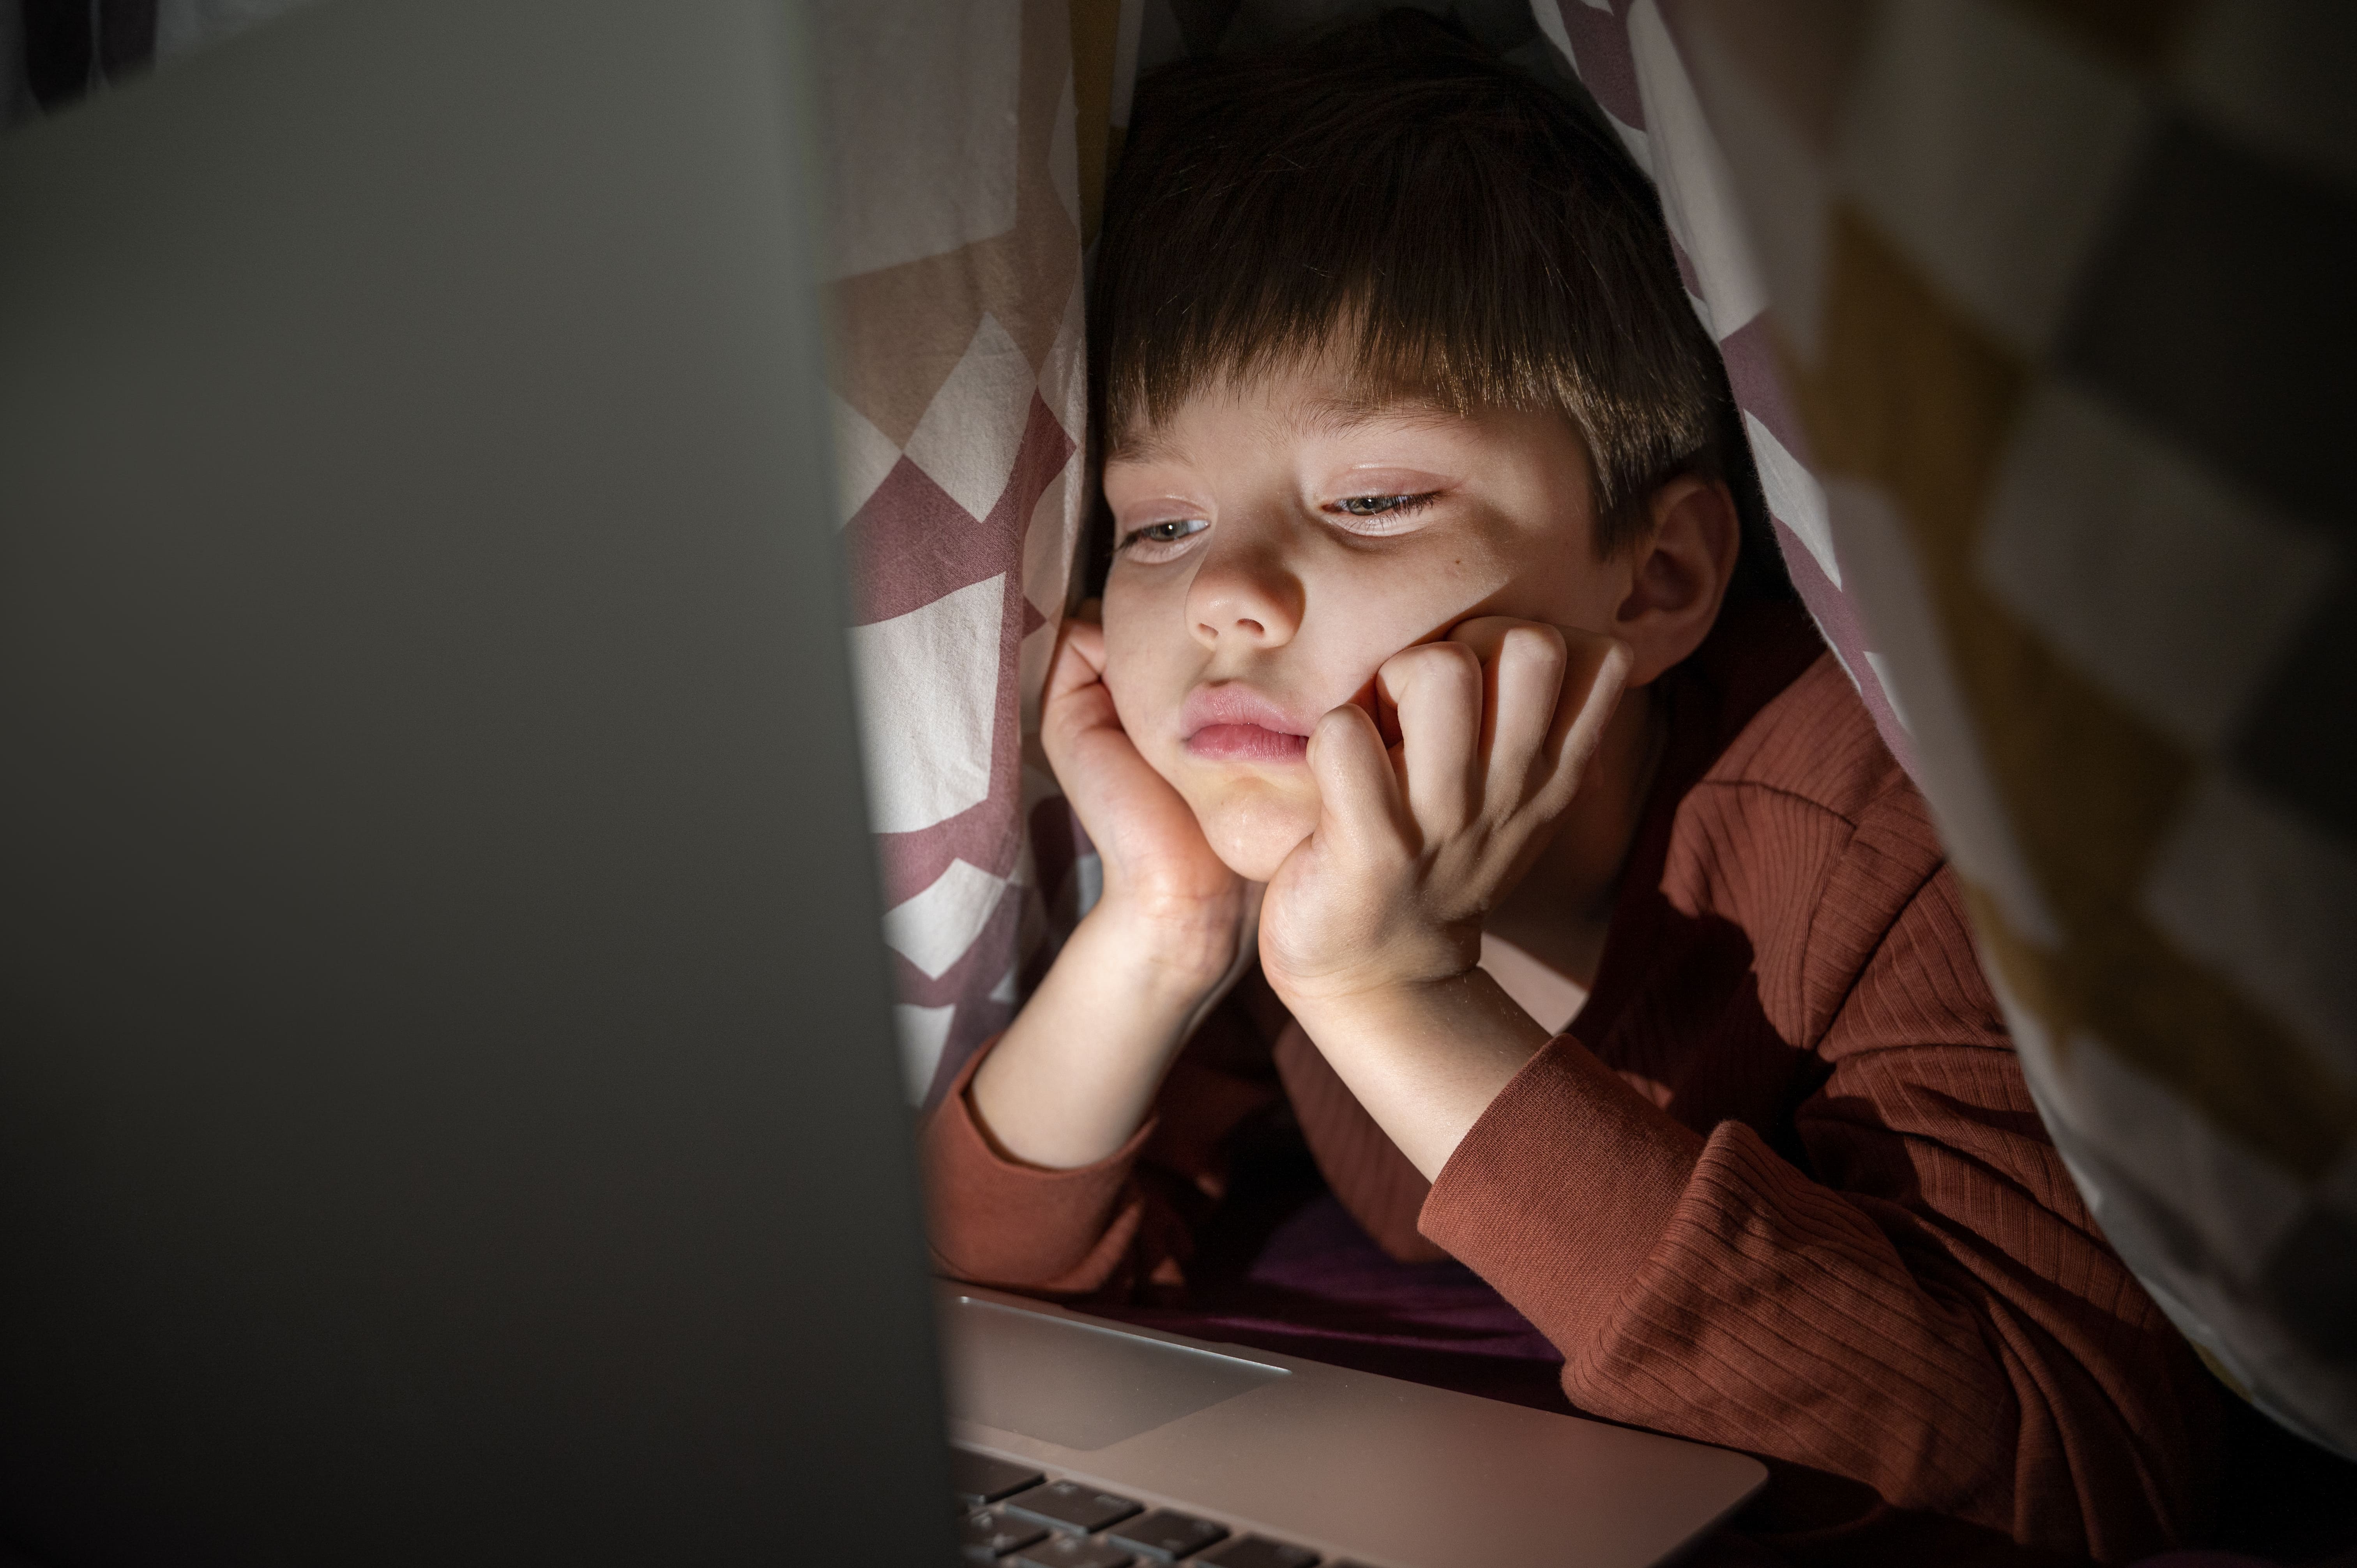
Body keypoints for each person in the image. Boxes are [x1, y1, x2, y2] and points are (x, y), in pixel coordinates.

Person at [921, 14, 2213, 1563]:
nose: (1229, 600)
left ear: (1657, 576)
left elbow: (2067, 1458)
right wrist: (1163, 931)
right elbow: (973, 1297)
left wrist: (1398, 1000)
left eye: (1376, 500)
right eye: (1159, 528)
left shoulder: (1871, 830)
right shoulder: (1282, 845)